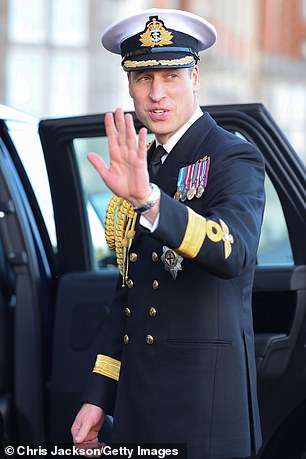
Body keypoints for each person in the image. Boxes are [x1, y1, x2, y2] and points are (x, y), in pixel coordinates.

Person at [71, 8, 265, 459]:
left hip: (205, 416)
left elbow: (231, 251)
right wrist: (99, 396)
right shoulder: (147, 163)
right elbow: (129, 296)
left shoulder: (234, 156)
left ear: (195, 78)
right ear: (129, 86)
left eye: (171, 76)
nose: (156, 94)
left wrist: (150, 202)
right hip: (140, 411)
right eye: (143, 79)